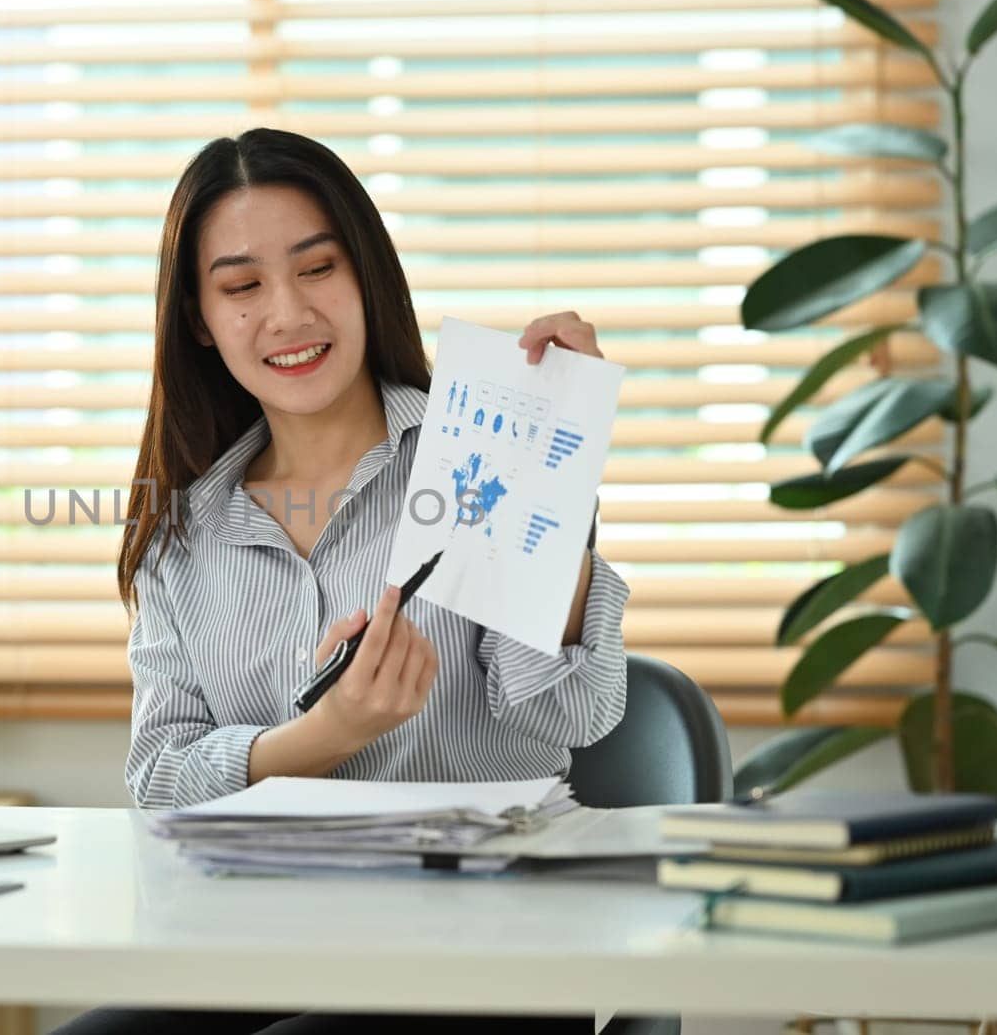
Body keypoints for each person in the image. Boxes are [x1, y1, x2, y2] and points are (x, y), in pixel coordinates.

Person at [51, 128, 628, 1035]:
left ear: (366, 277)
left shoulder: (482, 457)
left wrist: (560, 476)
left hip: (490, 954)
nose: (286, 313)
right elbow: (160, 783)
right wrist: (322, 736)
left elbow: (567, 719)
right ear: (201, 321)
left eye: (317, 269)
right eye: (241, 287)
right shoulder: (181, 532)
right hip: (262, 943)